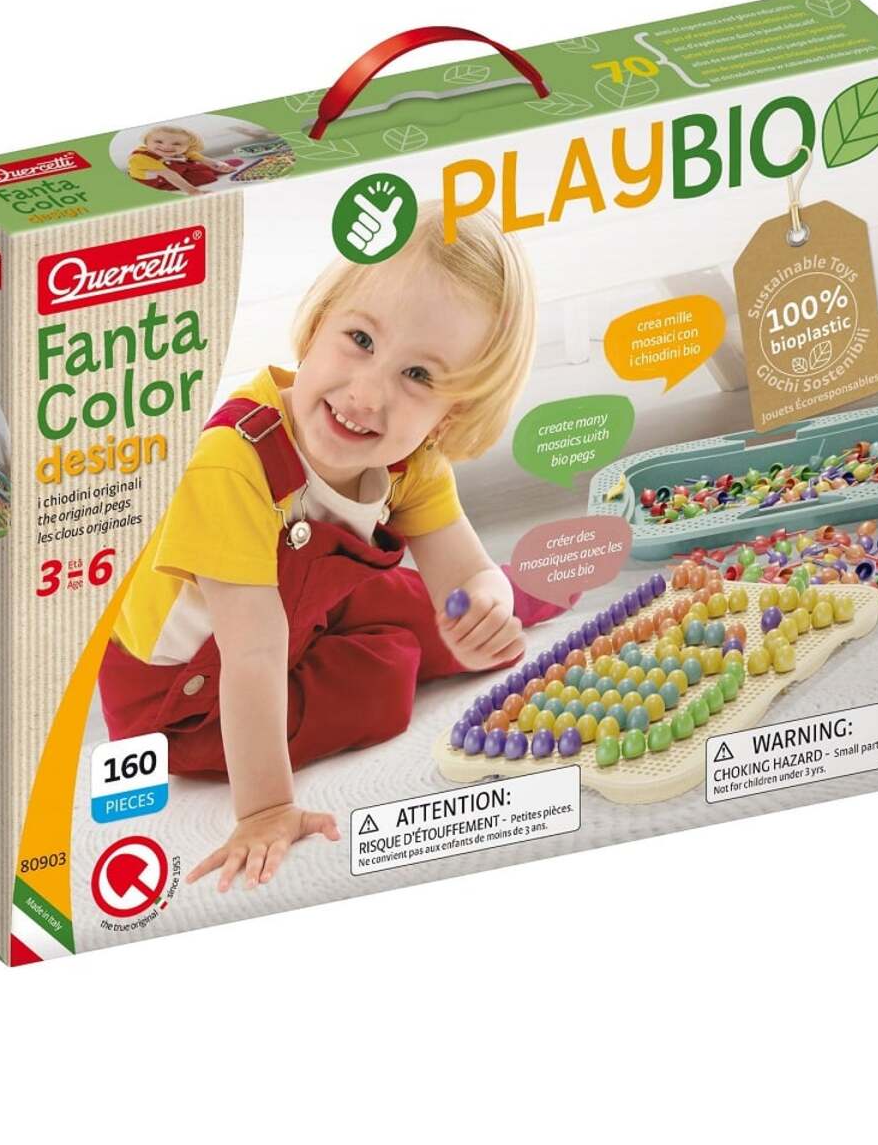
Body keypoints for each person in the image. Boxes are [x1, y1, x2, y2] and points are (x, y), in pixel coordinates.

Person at [98, 203, 554, 891]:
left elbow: (462, 568)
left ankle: (545, 589)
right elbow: (252, 656)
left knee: (428, 605)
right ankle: (407, 646)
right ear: (317, 326)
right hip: (190, 698)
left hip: (298, 614)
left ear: (449, 414)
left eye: (419, 376)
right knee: (384, 680)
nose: (366, 394)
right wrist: (265, 811)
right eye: (360, 340)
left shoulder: (413, 463)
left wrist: (484, 603)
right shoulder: (231, 464)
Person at [127, 124, 240, 194]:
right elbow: (170, 175)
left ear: (187, 146)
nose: (166, 147)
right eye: (159, 141)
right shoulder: (139, 158)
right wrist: (193, 191)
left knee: (196, 163)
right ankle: (212, 171)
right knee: (206, 177)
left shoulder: (184, 151)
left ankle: (218, 167)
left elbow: (202, 158)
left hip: (176, 171)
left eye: (176, 144)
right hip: (161, 181)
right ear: (146, 142)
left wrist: (218, 164)